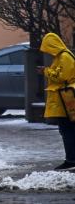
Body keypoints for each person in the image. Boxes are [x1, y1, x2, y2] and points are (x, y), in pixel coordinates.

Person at [37, 32, 75, 171]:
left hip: (67, 100)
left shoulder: (64, 57)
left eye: (48, 48)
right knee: (67, 129)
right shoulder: (61, 57)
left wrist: (46, 71)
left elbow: (61, 76)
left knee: (67, 129)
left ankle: (71, 160)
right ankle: (71, 158)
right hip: (64, 100)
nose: (48, 53)